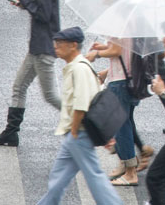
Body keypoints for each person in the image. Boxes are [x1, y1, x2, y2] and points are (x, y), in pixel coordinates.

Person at [38, 27, 123, 205]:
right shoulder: (77, 66)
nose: (56, 47)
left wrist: (75, 130)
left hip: (79, 132)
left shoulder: (79, 68)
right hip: (74, 133)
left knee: (94, 177)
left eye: (60, 43)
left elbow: (81, 103)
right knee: (58, 178)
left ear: (73, 45)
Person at [0, 0, 61, 147]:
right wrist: (24, 3)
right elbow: (40, 9)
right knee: (19, 86)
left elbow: (44, 15)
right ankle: (11, 133)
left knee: (50, 96)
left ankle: (85, 120)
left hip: (43, 48)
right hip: (37, 47)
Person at [86, 37, 144, 187]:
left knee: (121, 126)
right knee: (126, 123)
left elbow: (117, 50)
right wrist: (105, 47)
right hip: (129, 78)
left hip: (120, 81)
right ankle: (127, 163)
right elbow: (123, 49)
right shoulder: (130, 23)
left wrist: (97, 53)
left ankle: (130, 172)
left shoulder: (121, 23)